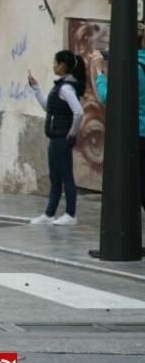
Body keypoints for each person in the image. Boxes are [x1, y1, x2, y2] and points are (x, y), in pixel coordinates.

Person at [28, 50, 86, 226]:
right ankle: (49, 213)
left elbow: (78, 112)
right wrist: (36, 89)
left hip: (62, 138)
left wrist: (72, 132)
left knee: (66, 176)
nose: (53, 65)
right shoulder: (60, 87)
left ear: (62, 65)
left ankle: (70, 214)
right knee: (55, 177)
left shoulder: (67, 88)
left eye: (55, 62)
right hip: (54, 137)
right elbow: (48, 107)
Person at [90, 31, 145, 212]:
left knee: (135, 188)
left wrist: (99, 72)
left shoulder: (132, 68)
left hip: (138, 133)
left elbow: (110, 99)